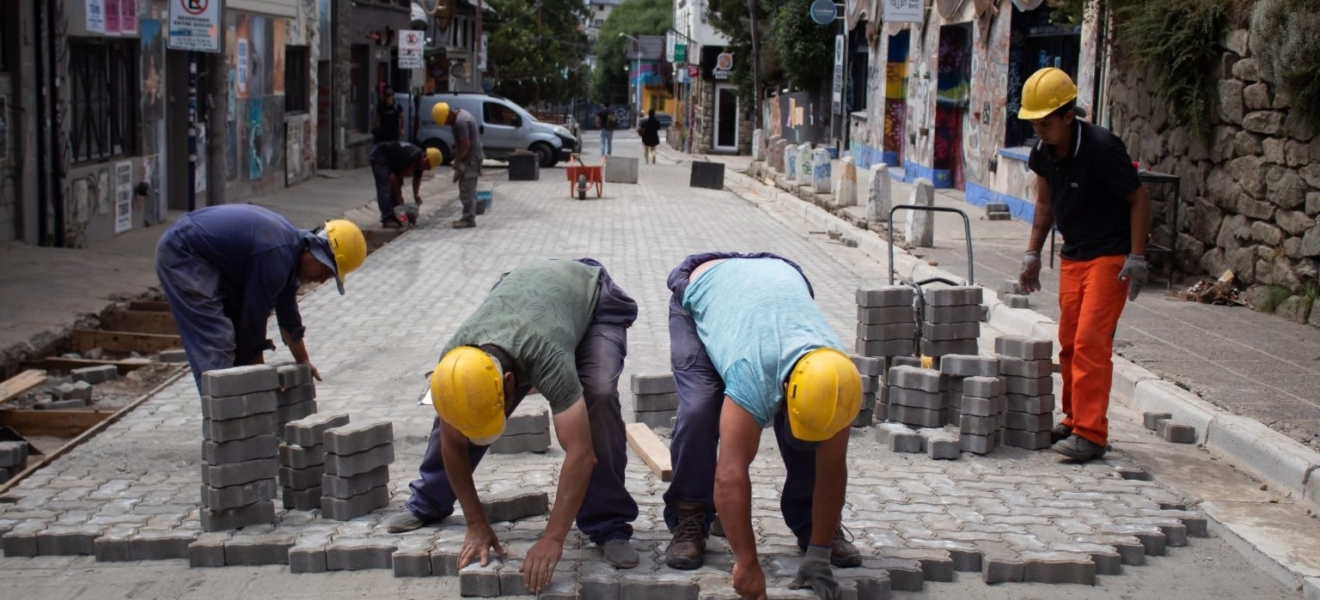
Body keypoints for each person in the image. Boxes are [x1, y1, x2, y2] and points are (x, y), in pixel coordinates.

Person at [385, 259, 642, 594]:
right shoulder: (455, 359)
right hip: (524, 301)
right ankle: (430, 500)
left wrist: (552, 538)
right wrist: (475, 523)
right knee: (462, 400)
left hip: (592, 299)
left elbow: (581, 454)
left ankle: (609, 524)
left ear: (511, 382)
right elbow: (451, 442)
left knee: (599, 395)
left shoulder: (546, 356)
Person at [661, 252, 863, 600]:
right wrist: (747, 563)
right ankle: (690, 517)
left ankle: (813, 530)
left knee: (810, 444)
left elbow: (832, 471)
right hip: (701, 287)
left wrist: (819, 556)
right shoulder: (752, 371)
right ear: (786, 389)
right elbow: (730, 474)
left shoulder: (839, 379)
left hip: (781, 275)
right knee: (699, 411)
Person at [1016, 67, 1151, 462]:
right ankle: (1075, 419)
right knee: (1071, 343)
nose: (1039, 130)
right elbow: (1043, 203)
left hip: (1109, 256)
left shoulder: (1102, 147)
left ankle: (1092, 433)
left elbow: (1139, 200)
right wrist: (1033, 254)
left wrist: (1137, 257)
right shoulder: (1042, 151)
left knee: (1093, 341)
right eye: (1034, 123)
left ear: (1068, 116)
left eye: (1045, 123)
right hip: (1073, 254)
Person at [155, 205, 366, 387]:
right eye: (326, 271)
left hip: (205, 253)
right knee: (217, 339)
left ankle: (240, 415)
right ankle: (224, 425)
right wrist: (260, 380)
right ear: (314, 251)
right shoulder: (277, 255)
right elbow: (254, 318)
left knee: (237, 336)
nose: (321, 280)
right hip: (184, 252)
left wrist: (302, 360)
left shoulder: (291, 251)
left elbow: (288, 314)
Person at [432, 102, 485, 229]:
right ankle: (472, 211)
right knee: (467, 188)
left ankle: (469, 219)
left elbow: (465, 145)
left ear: (448, 115)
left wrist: (457, 161)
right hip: (471, 158)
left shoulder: (461, 122)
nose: (446, 124)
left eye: (446, 122)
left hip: (471, 159)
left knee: (467, 189)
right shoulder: (459, 115)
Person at [369, 141, 440, 229]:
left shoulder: (420, 160)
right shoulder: (412, 158)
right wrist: (398, 196)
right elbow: (393, 178)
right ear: (426, 159)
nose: (427, 169)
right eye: (428, 167)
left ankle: (395, 214)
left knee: (396, 186)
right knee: (385, 186)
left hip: (390, 158)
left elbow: (417, 178)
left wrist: (416, 195)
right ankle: (387, 218)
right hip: (379, 154)